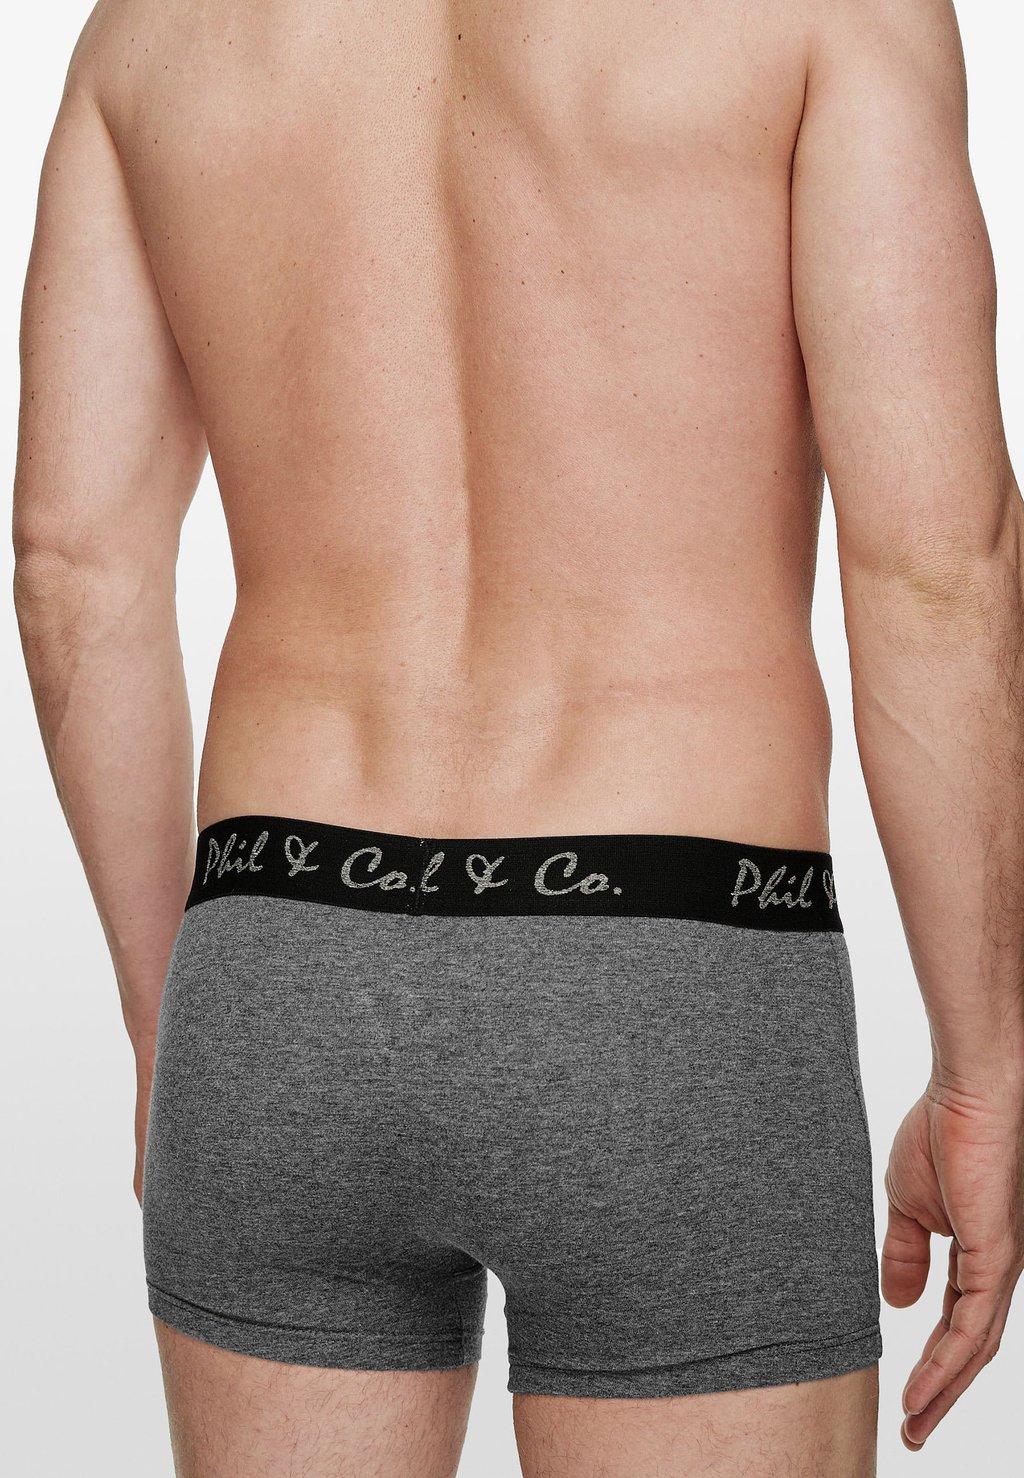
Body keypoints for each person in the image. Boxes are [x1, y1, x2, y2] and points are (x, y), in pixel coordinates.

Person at [13, 0, 1024, 1473]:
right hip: (675, 967)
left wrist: (178, 1023)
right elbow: (938, 566)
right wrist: (983, 1067)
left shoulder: (150, 36)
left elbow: (71, 563)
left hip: (282, 948)